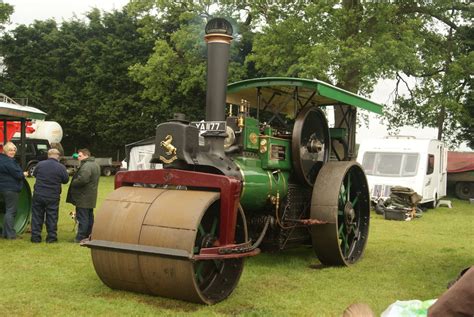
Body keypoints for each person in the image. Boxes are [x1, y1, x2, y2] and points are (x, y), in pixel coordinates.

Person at [30, 148, 69, 243]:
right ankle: (51, 237)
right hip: (52, 195)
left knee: (37, 215)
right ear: (58, 156)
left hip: (39, 194)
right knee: (52, 216)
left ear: (48, 155)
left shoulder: (40, 164)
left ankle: (35, 237)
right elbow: (65, 180)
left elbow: (34, 174)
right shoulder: (61, 167)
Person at [66, 148, 100, 243]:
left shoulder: (86, 166)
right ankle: (90, 235)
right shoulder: (95, 164)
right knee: (89, 217)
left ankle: (80, 237)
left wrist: (73, 182)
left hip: (83, 196)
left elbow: (83, 179)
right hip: (90, 196)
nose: (78, 158)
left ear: (86, 156)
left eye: (80, 156)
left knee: (82, 217)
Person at [0, 142, 27, 239]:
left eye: (14, 150)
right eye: (10, 150)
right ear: (5, 151)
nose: (13, 152)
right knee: (11, 211)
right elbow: (18, 175)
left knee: (6, 210)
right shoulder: (10, 162)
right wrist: (23, 174)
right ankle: (10, 234)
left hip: (1, 188)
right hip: (10, 189)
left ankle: (4, 233)